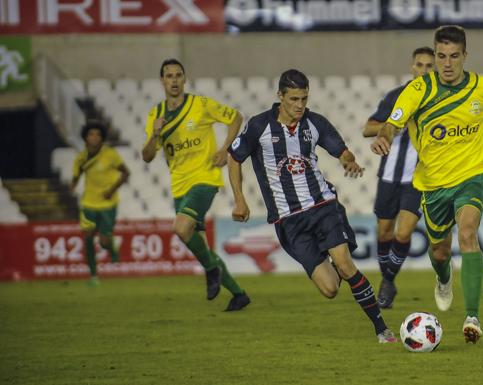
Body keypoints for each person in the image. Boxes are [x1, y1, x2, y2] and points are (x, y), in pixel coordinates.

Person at [371, 25, 483, 344]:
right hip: (432, 185)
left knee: (468, 234)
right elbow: (391, 124)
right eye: (441, 56)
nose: (447, 63)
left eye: (454, 56)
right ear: (435, 56)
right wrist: (384, 136)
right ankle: (443, 279)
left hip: (471, 177)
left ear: (465, 56)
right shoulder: (417, 91)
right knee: (439, 251)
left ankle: (473, 317)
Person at [228, 69, 397, 343]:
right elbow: (234, 158)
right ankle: (333, 260)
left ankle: (382, 329)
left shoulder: (314, 123)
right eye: (293, 99)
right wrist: (239, 199)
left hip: (323, 206)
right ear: (279, 96)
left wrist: (348, 161)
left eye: (304, 98)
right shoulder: (259, 126)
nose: (299, 105)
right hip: (288, 221)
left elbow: (342, 150)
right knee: (330, 289)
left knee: (345, 264)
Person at [142, 58, 250, 311]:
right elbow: (147, 156)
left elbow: (236, 117)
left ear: (184, 78)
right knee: (196, 241)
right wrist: (155, 134)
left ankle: (211, 270)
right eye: (169, 76)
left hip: (204, 179)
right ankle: (238, 294)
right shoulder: (155, 115)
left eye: (178, 75)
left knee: (181, 228)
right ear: (162, 81)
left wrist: (225, 149)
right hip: (179, 186)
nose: (174, 80)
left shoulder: (200, 105)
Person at [362, 47, 434, 309]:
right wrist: (391, 126)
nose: (424, 70)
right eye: (420, 65)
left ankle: (387, 281)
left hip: (418, 179)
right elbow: (367, 128)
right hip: (389, 176)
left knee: (403, 234)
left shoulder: (439, 99)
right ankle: (388, 280)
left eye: (429, 66)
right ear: (412, 67)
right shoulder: (396, 97)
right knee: (384, 232)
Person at [70, 121, 130, 286]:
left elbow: (126, 173)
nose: (94, 137)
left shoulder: (110, 154)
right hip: (88, 203)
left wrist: (111, 190)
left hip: (107, 204)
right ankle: (94, 276)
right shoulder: (80, 158)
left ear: (102, 137)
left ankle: (112, 249)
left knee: (103, 241)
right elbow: (76, 177)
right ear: (85, 138)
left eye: (97, 134)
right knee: (88, 238)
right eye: (91, 134)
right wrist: (72, 186)